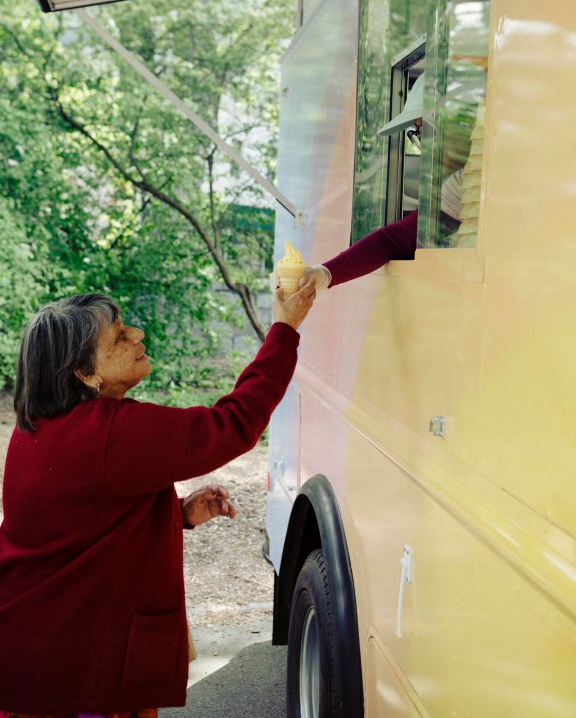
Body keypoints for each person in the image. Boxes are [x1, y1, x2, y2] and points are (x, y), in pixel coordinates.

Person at [0, 280, 316, 716]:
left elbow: (80, 522)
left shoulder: (34, 428)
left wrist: (176, 515)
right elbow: (234, 424)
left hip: (36, 649)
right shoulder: (110, 431)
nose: (137, 336)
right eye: (118, 336)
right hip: (75, 669)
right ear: (85, 374)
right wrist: (285, 330)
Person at [298, 73, 464, 291]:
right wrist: (323, 275)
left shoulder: (478, 176)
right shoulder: (462, 184)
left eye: (422, 129)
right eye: (417, 134)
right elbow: (398, 238)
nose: (423, 145)